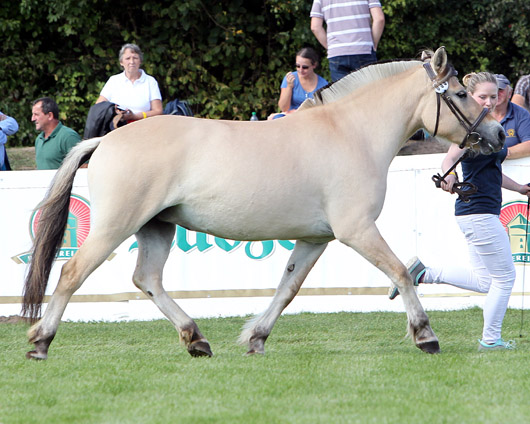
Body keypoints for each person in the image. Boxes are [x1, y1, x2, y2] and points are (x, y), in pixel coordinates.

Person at [389, 72, 530, 351]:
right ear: (471, 98)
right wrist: (447, 175)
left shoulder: (487, 129)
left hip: (476, 212)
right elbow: (449, 158)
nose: (488, 101)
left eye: (494, 96)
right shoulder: (469, 131)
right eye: (482, 97)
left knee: (484, 281)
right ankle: (491, 341)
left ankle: (422, 273)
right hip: (478, 212)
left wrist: (521, 189)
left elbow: (494, 172)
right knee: (504, 279)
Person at [310, 0, 385, 82]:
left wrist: (331, 47)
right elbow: (379, 19)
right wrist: (374, 44)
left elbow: (315, 27)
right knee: (368, 92)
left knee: (343, 94)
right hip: (363, 50)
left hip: (337, 52)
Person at [96, 43, 163, 123]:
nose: (132, 62)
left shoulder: (150, 81)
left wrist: (135, 116)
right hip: (117, 126)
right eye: (127, 58)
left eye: (135, 58)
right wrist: (114, 111)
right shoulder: (113, 81)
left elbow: (158, 111)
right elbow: (98, 106)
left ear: (140, 61)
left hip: (144, 126)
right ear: (121, 62)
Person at [268, 47, 328, 120]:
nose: (300, 70)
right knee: (277, 118)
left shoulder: (323, 84)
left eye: (305, 67)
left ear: (314, 65)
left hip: (312, 119)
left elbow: (324, 111)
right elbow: (283, 108)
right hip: (291, 118)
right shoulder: (291, 78)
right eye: (298, 66)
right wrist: (289, 87)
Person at [31, 97, 81, 170]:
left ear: (50, 115)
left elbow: (84, 167)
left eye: (36, 114)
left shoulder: (68, 137)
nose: (32, 119)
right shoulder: (39, 139)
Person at [491, 74, 530, 159]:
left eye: (500, 90)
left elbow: (529, 145)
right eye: (493, 90)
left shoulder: (522, 114)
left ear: (509, 93)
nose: (496, 93)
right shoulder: (478, 114)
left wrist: (502, 153)